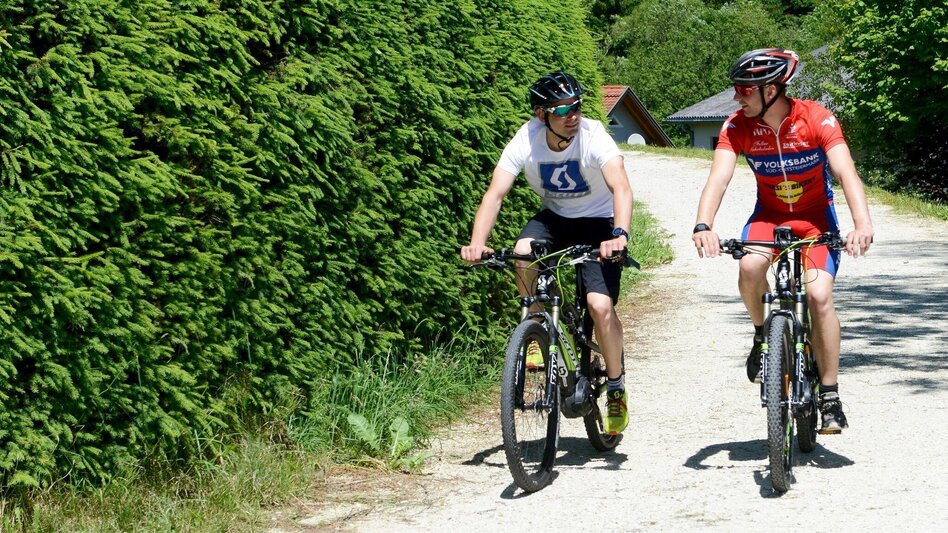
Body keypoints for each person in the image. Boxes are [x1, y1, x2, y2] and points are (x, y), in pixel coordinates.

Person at [692, 48, 874, 434]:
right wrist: (702, 225)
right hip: (768, 218)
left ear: (771, 89)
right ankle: (762, 336)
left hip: (815, 221)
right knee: (750, 265)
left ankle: (829, 394)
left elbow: (846, 172)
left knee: (819, 296)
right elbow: (718, 179)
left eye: (744, 89)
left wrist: (862, 223)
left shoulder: (816, 118)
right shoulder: (736, 126)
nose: (737, 96)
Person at [460, 71, 634, 435]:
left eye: (577, 106)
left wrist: (619, 234)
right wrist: (478, 242)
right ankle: (536, 327)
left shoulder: (592, 135)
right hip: (556, 218)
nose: (574, 115)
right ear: (542, 115)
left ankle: (615, 387)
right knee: (523, 252)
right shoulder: (527, 137)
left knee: (600, 307)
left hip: (600, 222)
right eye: (563, 109)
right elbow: (495, 193)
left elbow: (620, 186)